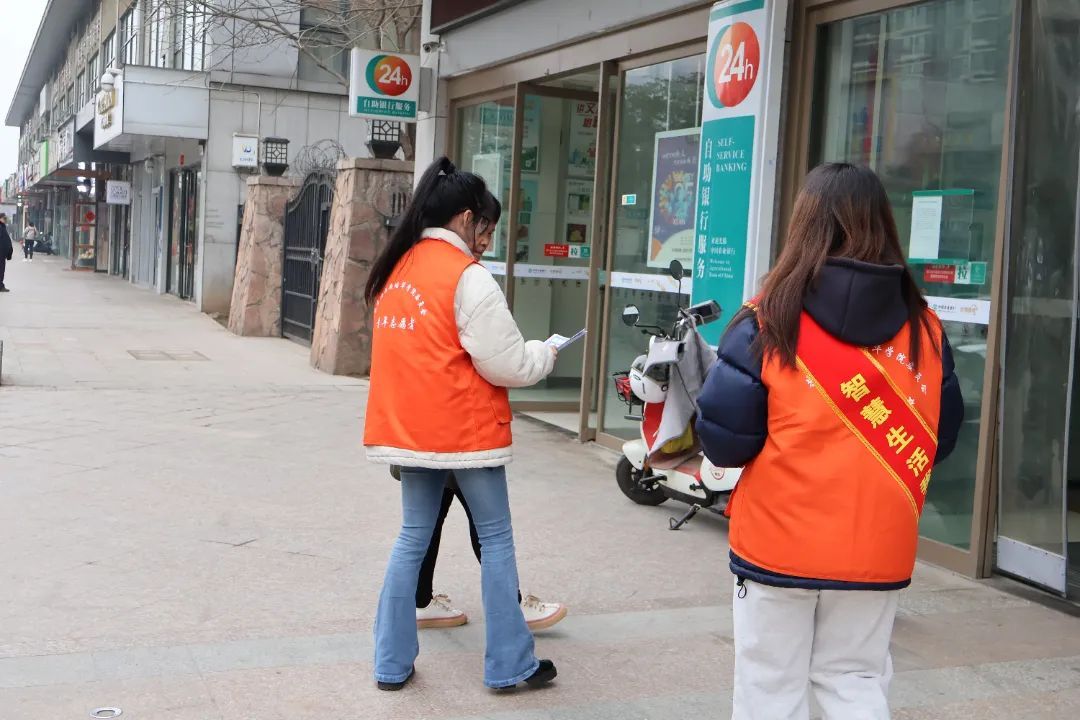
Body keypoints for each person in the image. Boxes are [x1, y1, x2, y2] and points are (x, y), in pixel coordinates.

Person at [695, 163, 964, 720]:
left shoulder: (767, 321)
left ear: (804, 226)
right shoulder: (926, 330)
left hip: (778, 542)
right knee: (856, 680)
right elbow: (940, 440)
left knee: (770, 686)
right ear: (883, 225)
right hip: (878, 547)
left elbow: (724, 443)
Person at [364, 156, 560, 692]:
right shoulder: (467, 277)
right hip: (466, 433)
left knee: (411, 538)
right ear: (467, 218)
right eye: (485, 227)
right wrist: (545, 354)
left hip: (408, 431)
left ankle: (390, 663)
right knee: (495, 539)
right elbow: (508, 364)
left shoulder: (396, 269)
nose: (485, 240)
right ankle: (509, 664)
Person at [0, 214, 13, 292]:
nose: (5, 220)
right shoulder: (1, 227)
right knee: (1, 270)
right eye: (4, 218)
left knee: (1, 270)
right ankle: (0, 286)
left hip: (2, 253)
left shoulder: (2, 227)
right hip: (1, 253)